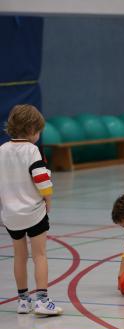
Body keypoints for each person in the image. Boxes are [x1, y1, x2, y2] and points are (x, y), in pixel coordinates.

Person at [0, 104, 63, 315]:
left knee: (19, 256)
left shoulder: (2, 151)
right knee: (40, 255)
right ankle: (42, 300)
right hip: (34, 213)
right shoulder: (32, 150)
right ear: (30, 129)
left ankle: (23, 301)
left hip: (10, 215)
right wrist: (49, 201)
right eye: (38, 131)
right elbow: (42, 181)